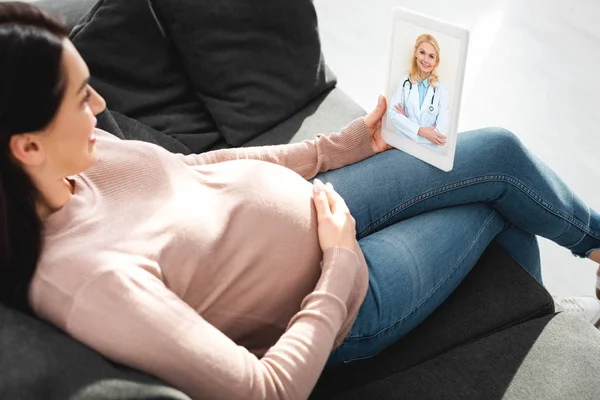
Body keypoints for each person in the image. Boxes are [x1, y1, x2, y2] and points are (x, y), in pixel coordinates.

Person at [1, 3, 599, 399]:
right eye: (81, 98)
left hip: (325, 203)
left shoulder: (78, 157)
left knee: (497, 151)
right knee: (495, 210)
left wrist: (340, 146)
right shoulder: (87, 283)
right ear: (27, 146)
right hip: (339, 298)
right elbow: (266, 388)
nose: (101, 108)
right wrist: (340, 264)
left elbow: (196, 170)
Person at [389, 33, 449, 151]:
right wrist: (423, 132)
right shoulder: (405, 82)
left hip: (429, 153)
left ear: (436, 61)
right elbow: (393, 114)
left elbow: (440, 135)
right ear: (416, 52)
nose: (426, 60)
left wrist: (406, 123)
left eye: (431, 56)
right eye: (422, 53)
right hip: (402, 149)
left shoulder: (441, 91)